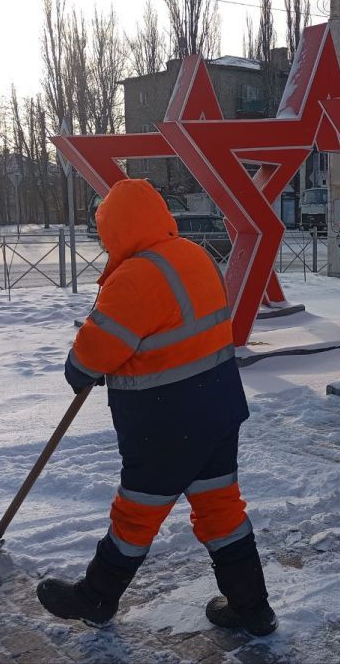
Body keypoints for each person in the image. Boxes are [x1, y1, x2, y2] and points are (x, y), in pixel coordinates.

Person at [37, 178, 276, 636]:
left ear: (117, 228)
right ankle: (253, 608)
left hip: (166, 422)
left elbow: (90, 356)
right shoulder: (195, 255)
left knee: (137, 512)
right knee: (221, 508)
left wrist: (80, 369)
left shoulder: (135, 277)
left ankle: (96, 597)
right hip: (219, 409)